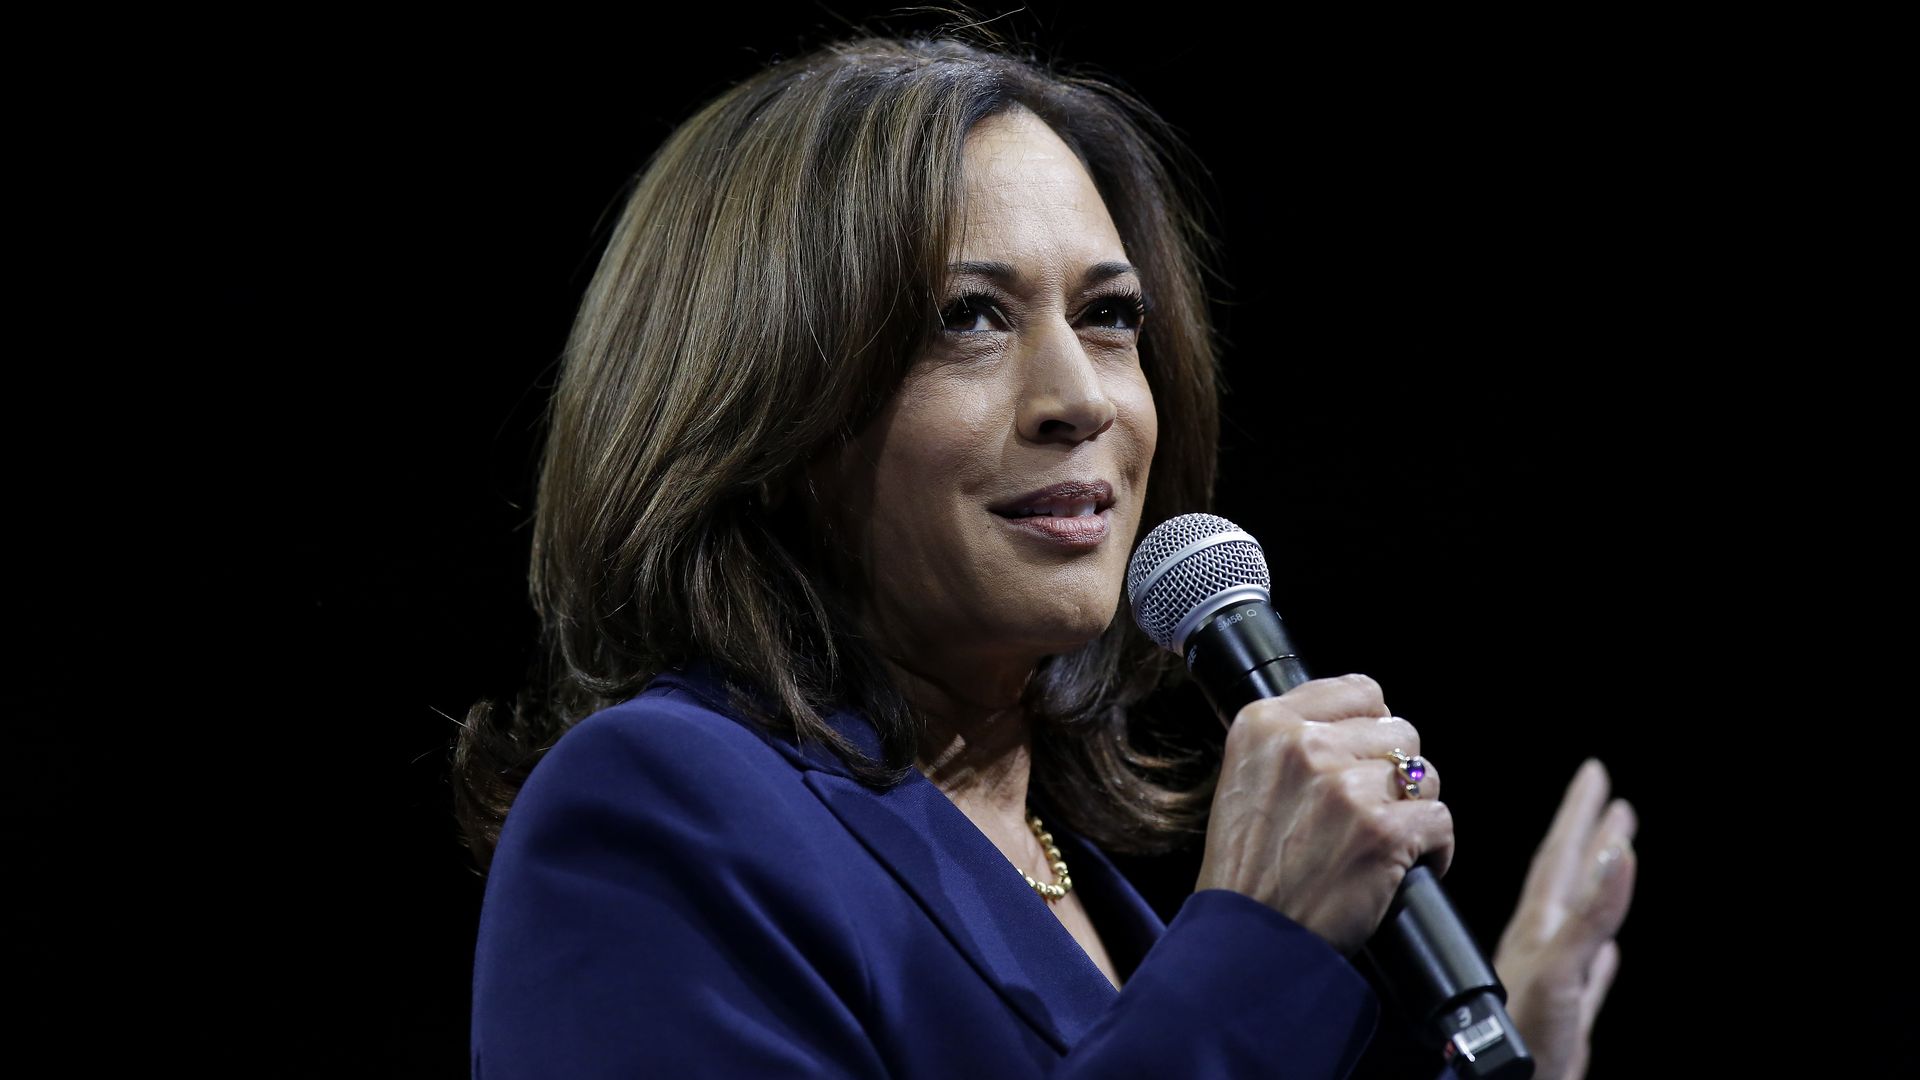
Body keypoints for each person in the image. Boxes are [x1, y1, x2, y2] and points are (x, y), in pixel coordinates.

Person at [457, 34, 1637, 1079]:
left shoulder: (1081, 877)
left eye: (1110, 316)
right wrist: (1257, 946)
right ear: (765, 406)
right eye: (969, 317)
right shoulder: (653, 811)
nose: (1082, 396)